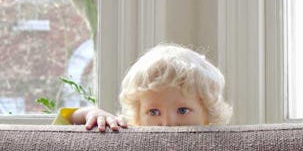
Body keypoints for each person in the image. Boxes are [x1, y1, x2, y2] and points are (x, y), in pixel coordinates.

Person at [55, 43, 232, 131]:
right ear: (137, 118)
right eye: (153, 112)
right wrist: (87, 114)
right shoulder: (128, 140)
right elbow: (58, 137)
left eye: (183, 110)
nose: (167, 124)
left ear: (207, 114)